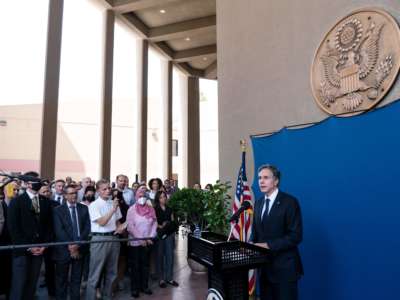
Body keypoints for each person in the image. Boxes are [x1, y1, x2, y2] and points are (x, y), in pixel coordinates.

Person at [251, 165, 303, 300]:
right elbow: (257, 234)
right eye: (259, 178)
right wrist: (249, 245)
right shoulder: (258, 203)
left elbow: (295, 236)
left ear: (276, 181)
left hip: (284, 271)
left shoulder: (290, 202)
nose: (261, 181)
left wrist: (268, 245)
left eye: (266, 178)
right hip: (264, 270)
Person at [7, 175, 53, 300]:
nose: (38, 184)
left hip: (39, 250)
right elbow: (13, 228)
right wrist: (28, 247)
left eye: (39, 182)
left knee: (32, 285)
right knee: (19, 285)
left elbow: (49, 226)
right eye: (34, 182)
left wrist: (44, 245)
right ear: (27, 184)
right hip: (22, 251)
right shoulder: (17, 202)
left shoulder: (45, 202)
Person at [86, 179, 124, 300]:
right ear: (98, 191)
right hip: (99, 239)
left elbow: (117, 222)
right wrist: (112, 209)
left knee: (112, 273)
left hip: (114, 239)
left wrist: (121, 228)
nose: (108, 191)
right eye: (104, 189)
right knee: (95, 274)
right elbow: (102, 222)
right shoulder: (94, 205)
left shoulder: (114, 203)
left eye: (109, 188)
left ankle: (107, 296)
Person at [53, 185, 91, 300]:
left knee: (76, 278)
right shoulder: (57, 210)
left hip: (80, 248)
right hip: (64, 250)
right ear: (65, 196)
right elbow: (59, 231)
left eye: (75, 193)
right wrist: (71, 245)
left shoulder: (83, 208)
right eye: (70, 193)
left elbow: (87, 228)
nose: (74, 195)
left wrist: (77, 245)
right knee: (61, 280)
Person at [126, 190, 157, 298]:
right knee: (135, 266)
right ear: (135, 197)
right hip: (136, 242)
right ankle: (135, 289)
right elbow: (130, 227)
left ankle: (145, 286)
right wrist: (141, 239)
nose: (142, 197)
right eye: (140, 195)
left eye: (144, 195)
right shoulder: (131, 209)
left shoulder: (150, 208)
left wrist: (150, 237)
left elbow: (154, 223)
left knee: (145, 265)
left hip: (148, 241)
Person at [154, 191, 179, 288]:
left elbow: (173, 221)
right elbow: (154, 222)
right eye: (160, 197)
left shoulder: (170, 209)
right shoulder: (155, 209)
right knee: (159, 256)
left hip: (169, 234)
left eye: (164, 197)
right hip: (160, 234)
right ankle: (161, 279)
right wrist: (162, 226)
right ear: (158, 199)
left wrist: (169, 226)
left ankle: (169, 278)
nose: (163, 199)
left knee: (170, 256)